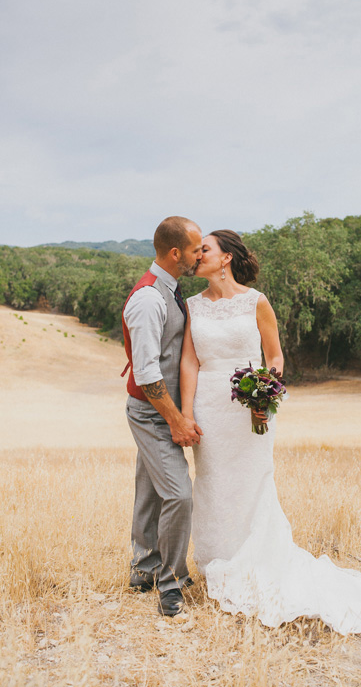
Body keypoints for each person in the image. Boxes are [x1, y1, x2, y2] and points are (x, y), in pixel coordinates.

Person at [179, 229, 361, 634]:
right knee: (212, 484)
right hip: (209, 406)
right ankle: (215, 566)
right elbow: (189, 362)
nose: (197, 255)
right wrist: (187, 413)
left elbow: (274, 355)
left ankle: (253, 562)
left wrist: (263, 396)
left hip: (248, 407)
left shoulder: (256, 301)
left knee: (252, 483)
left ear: (226, 258)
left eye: (204, 249)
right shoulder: (191, 305)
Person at [122, 216, 203, 617]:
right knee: (179, 494)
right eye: (194, 249)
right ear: (175, 253)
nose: (199, 255)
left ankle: (143, 569)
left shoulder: (168, 289)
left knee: (151, 488)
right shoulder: (149, 299)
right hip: (153, 413)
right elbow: (147, 372)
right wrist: (174, 419)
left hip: (159, 409)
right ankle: (170, 583)